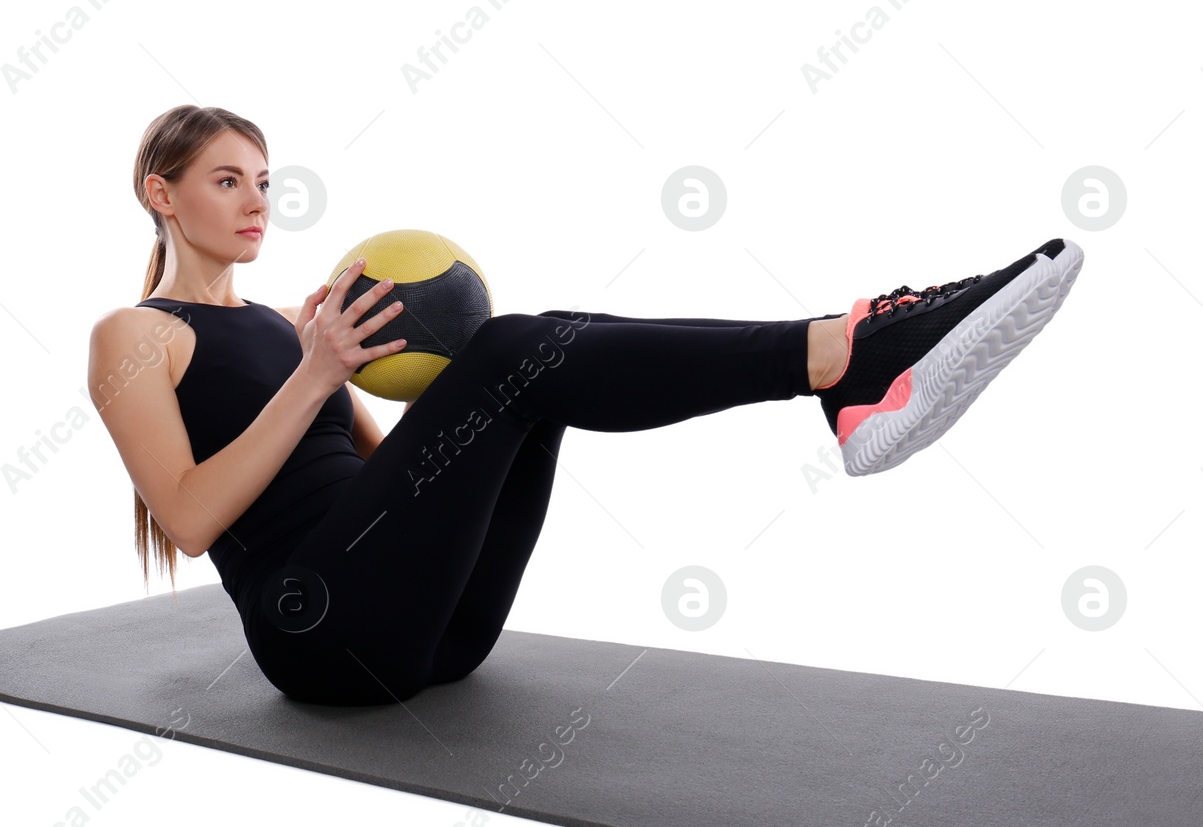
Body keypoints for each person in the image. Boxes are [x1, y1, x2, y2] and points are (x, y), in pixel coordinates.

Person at [88, 105, 1083, 707]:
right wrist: (316, 373)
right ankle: (844, 357)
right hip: (320, 638)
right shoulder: (133, 335)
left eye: (263, 180)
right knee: (516, 348)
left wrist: (408, 387)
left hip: (437, 632)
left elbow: (387, 473)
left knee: (533, 352)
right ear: (162, 194)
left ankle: (847, 369)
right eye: (226, 181)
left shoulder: (283, 319)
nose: (256, 200)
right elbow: (186, 518)